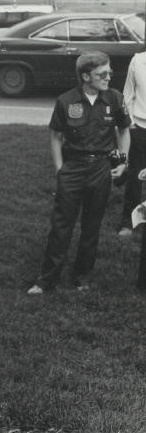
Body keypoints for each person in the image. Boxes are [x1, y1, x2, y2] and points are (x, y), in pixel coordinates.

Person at [28, 51, 130, 295]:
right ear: (86, 76)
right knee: (61, 226)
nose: (108, 77)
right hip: (72, 168)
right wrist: (60, 169)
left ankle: (81, 277)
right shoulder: (66, 101)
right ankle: (46, 281)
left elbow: (124, 130)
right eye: (101, 74)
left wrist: (123, 161)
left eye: (109, 72)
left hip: (101, 169)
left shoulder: (114, 98)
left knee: (91, 226)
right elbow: (55, 136)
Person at [118, 51, 146, 237]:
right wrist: (131, 125)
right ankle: (129, 222)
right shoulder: (138, 60)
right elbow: (127, 95)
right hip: (140, 127)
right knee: (136, 176)